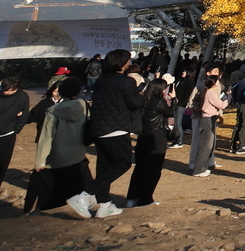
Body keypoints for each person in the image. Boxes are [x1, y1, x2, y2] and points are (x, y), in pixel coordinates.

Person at [70, 49, 146, 219]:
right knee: (123, 163)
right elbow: (134, 104)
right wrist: (141, 95)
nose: (129, 63)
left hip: (99, 128)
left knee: (104, 166)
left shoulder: (101, 81)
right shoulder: (125, 82)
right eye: (127, 60)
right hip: (116, 128)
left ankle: (105, 204)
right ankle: (83, 195)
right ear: (122, 63)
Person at [37, 78, 94, 215]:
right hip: (78, 152)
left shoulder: (52, 111)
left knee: (54, 188)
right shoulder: (83, 105)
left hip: (58, 155)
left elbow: (47, 137)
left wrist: (40, 160)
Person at [125, 76, 173, 207]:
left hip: (143, 136)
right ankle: (145, 198)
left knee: (139, 168)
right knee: (153, 169)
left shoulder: (142, 101)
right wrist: (173, 99)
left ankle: (132, 197)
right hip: (156, 137)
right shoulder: (159, 102)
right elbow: (170, 112)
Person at [0, 76, 30, 185]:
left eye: (8, 91)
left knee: (2, 163)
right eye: (4, 90)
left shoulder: (22, 97)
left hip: (8, 135)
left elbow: (24, 116)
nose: (5, 92)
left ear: (15, 88)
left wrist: (16, 130)